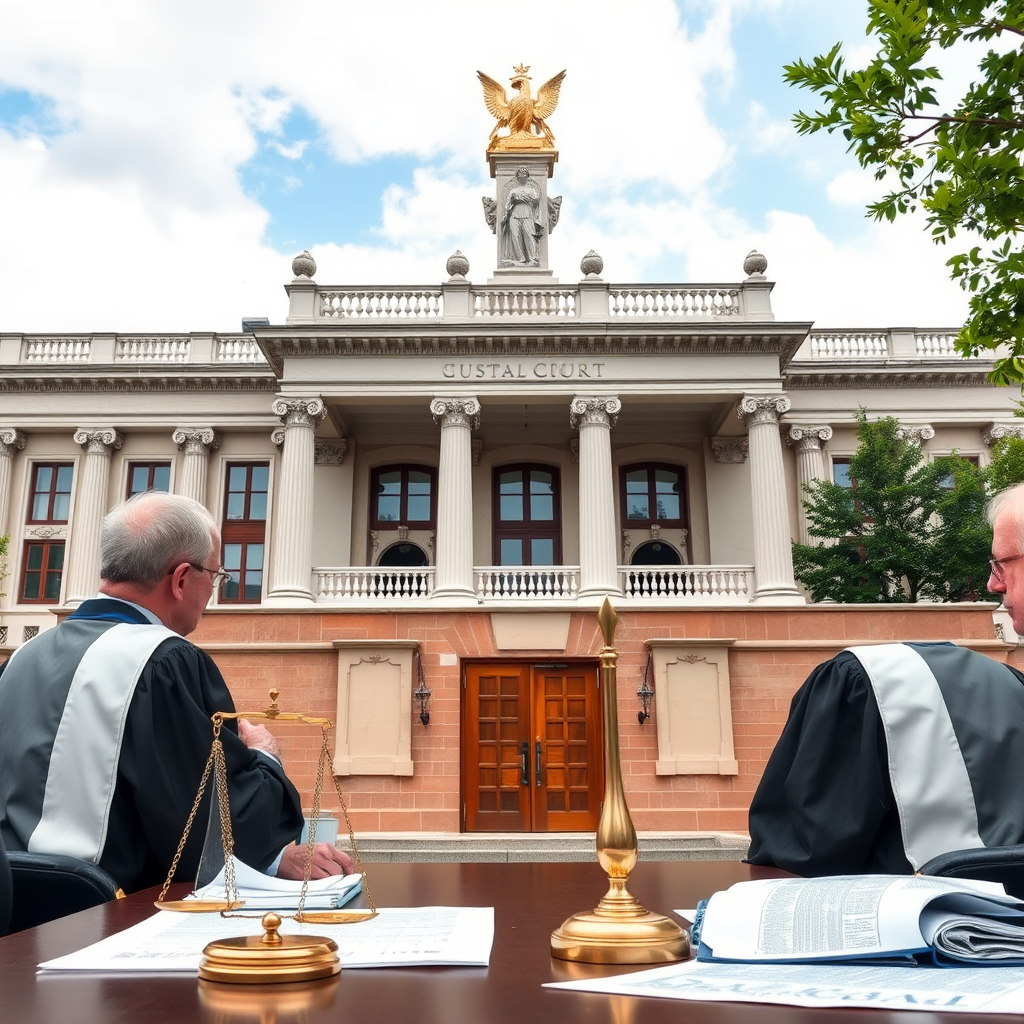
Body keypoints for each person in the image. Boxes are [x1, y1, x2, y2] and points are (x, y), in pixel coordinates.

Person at [0, 491, 352, 893]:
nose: (212, 594)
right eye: (215, 576)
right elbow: (206, 836)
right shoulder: (164, 663)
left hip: (14, 914)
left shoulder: (23, 656)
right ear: (182, 579)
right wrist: (265, 757)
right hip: (105, 919)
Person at [747, 482, 1024, 877]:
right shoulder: (1006, 689)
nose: (992, 585)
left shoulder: (868, 683)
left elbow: (800, 860)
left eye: (1001, 564)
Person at [500, 167, 543, 267]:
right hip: (514, 214)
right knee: (515, 236)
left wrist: (522, 198)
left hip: (528, 213)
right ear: (517, 178)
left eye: (524, 175)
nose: (522, 176)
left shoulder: (532, 190)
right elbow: (508, 204)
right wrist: (505, 215)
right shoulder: (513, 191)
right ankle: (520, 258)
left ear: (527, 177)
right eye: (520, 175)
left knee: (529, 235)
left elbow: (535, 201)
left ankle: (532, 258)